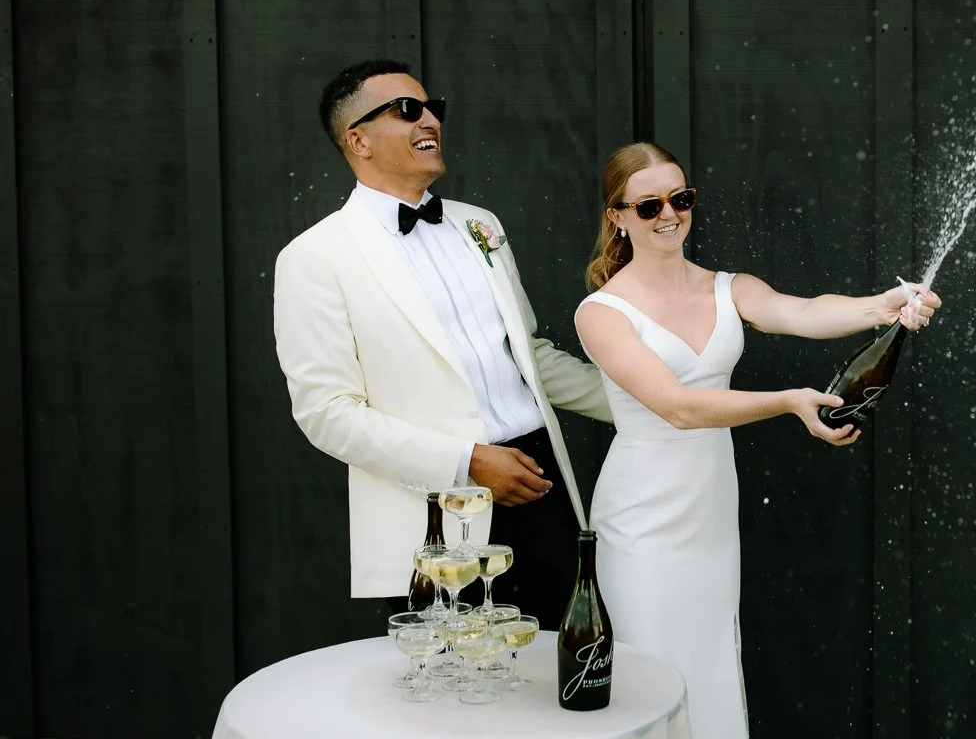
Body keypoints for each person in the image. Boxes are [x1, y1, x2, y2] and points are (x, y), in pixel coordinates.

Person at [573, 141, 941, 739]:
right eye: (648, 206)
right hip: (642, 515)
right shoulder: (601, 311)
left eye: (681, 198)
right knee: (649, 668)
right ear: (616, 215)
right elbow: (678, 407)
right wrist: (789, 401)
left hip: (712, 507)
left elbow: (803, 312)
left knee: (710, 657)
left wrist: (884, 306)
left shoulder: (728, 287)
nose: (669, 215)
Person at [273, 59, 612, 629]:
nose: (430, 118)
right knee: (461, 693)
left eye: (433, 108)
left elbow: (528, 357)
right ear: (357, 139)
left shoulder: (480, 224)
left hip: (542, 483)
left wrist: (654, 404)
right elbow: (326, 414)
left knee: (557, 679)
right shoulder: (312, 258)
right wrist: (467, 463)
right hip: (435, 512)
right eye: (408, 110)